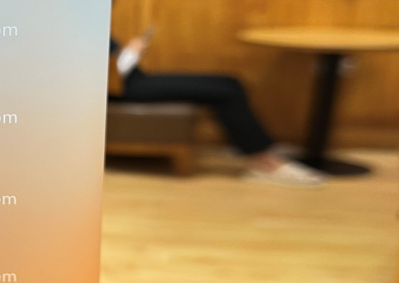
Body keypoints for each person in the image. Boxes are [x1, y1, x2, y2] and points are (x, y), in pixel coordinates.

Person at [110, 32, 325, 186]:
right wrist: (131, 53)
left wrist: (130, 53)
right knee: (226, 93)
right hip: (123, 87)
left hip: (134, 78)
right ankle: (264, 161)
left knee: (231, 83)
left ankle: (260, 147)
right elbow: (103, 67)